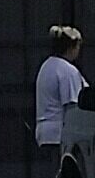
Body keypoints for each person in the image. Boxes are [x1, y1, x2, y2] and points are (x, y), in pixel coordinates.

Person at [35, 24, 87, 157]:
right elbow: (71, 106)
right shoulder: (67, 71)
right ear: (71, 47)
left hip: (44, 133)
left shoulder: (46, 66)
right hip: (59, 134)